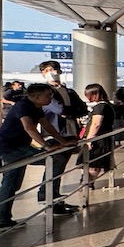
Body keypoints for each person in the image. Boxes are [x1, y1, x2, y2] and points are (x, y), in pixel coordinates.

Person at [0, 83, 66, 229]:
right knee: (11, 183)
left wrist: (62, 141)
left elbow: (47, 125)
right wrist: (46, 146)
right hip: (11, 149)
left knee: (12, 183)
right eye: (48, 95)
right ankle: (2, 219)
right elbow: (29, 128)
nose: (50, 98)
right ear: (35, 96)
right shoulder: (23, 106)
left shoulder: (35, 107)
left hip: (19, 147)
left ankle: (3, 218)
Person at [35, 61, 85, 215]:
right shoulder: (44, 92)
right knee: (54, 164)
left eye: (55, 69)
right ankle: (47, 196)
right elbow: (57, 108)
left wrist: (68, 112)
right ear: (43, 73)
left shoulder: (68, 91)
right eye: (48, 70)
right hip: (53, 133)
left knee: (59, 167)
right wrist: (69, 111)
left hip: (69, 133)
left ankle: (54, 198)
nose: (52, 72)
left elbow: (82, 108)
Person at [80, 83, 116, 188]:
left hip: (98, 140)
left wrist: (89, 140)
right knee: (95, 163)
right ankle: (88, 183)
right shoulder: (107, 106)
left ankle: (87, 184)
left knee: (92, 163)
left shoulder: (100, 107)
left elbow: (96, 124)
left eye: (89, 95)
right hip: (104, 138)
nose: (87, 97)